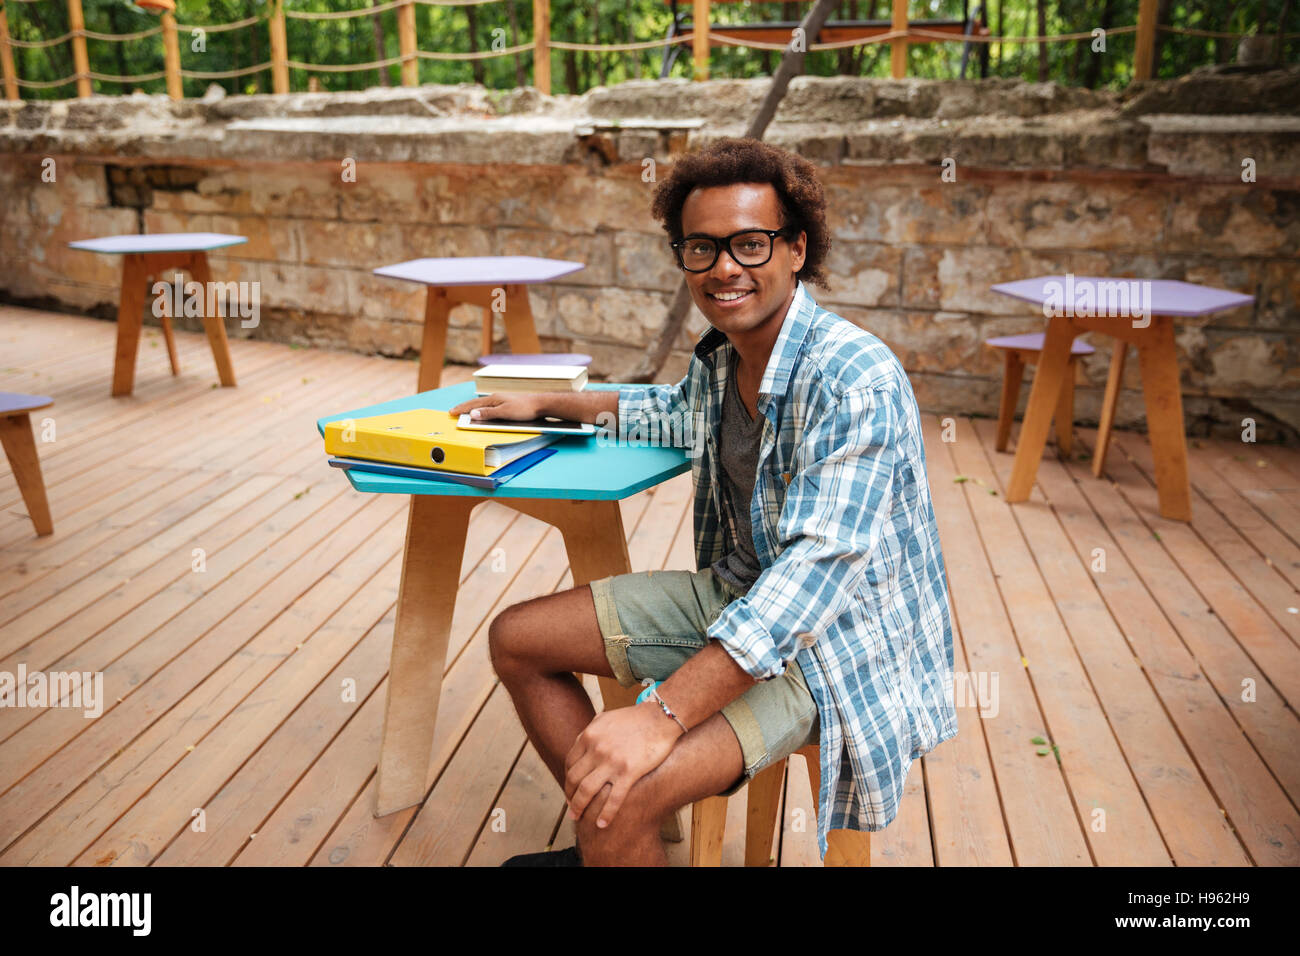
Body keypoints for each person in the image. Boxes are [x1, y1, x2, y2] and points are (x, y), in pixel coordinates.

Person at [449, 137, 956, 866]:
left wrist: (661, 715)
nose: (724, 267)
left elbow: (812, 578)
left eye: (751, 244)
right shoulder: (725, 362)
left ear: (796, 249)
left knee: (636, 779)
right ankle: (614, 841)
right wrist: (546, 403)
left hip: (835, 651)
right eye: (702, 247)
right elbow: (669, 411)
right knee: (517, 641)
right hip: (741, 598)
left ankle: (614, 827)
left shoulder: (854, 378)